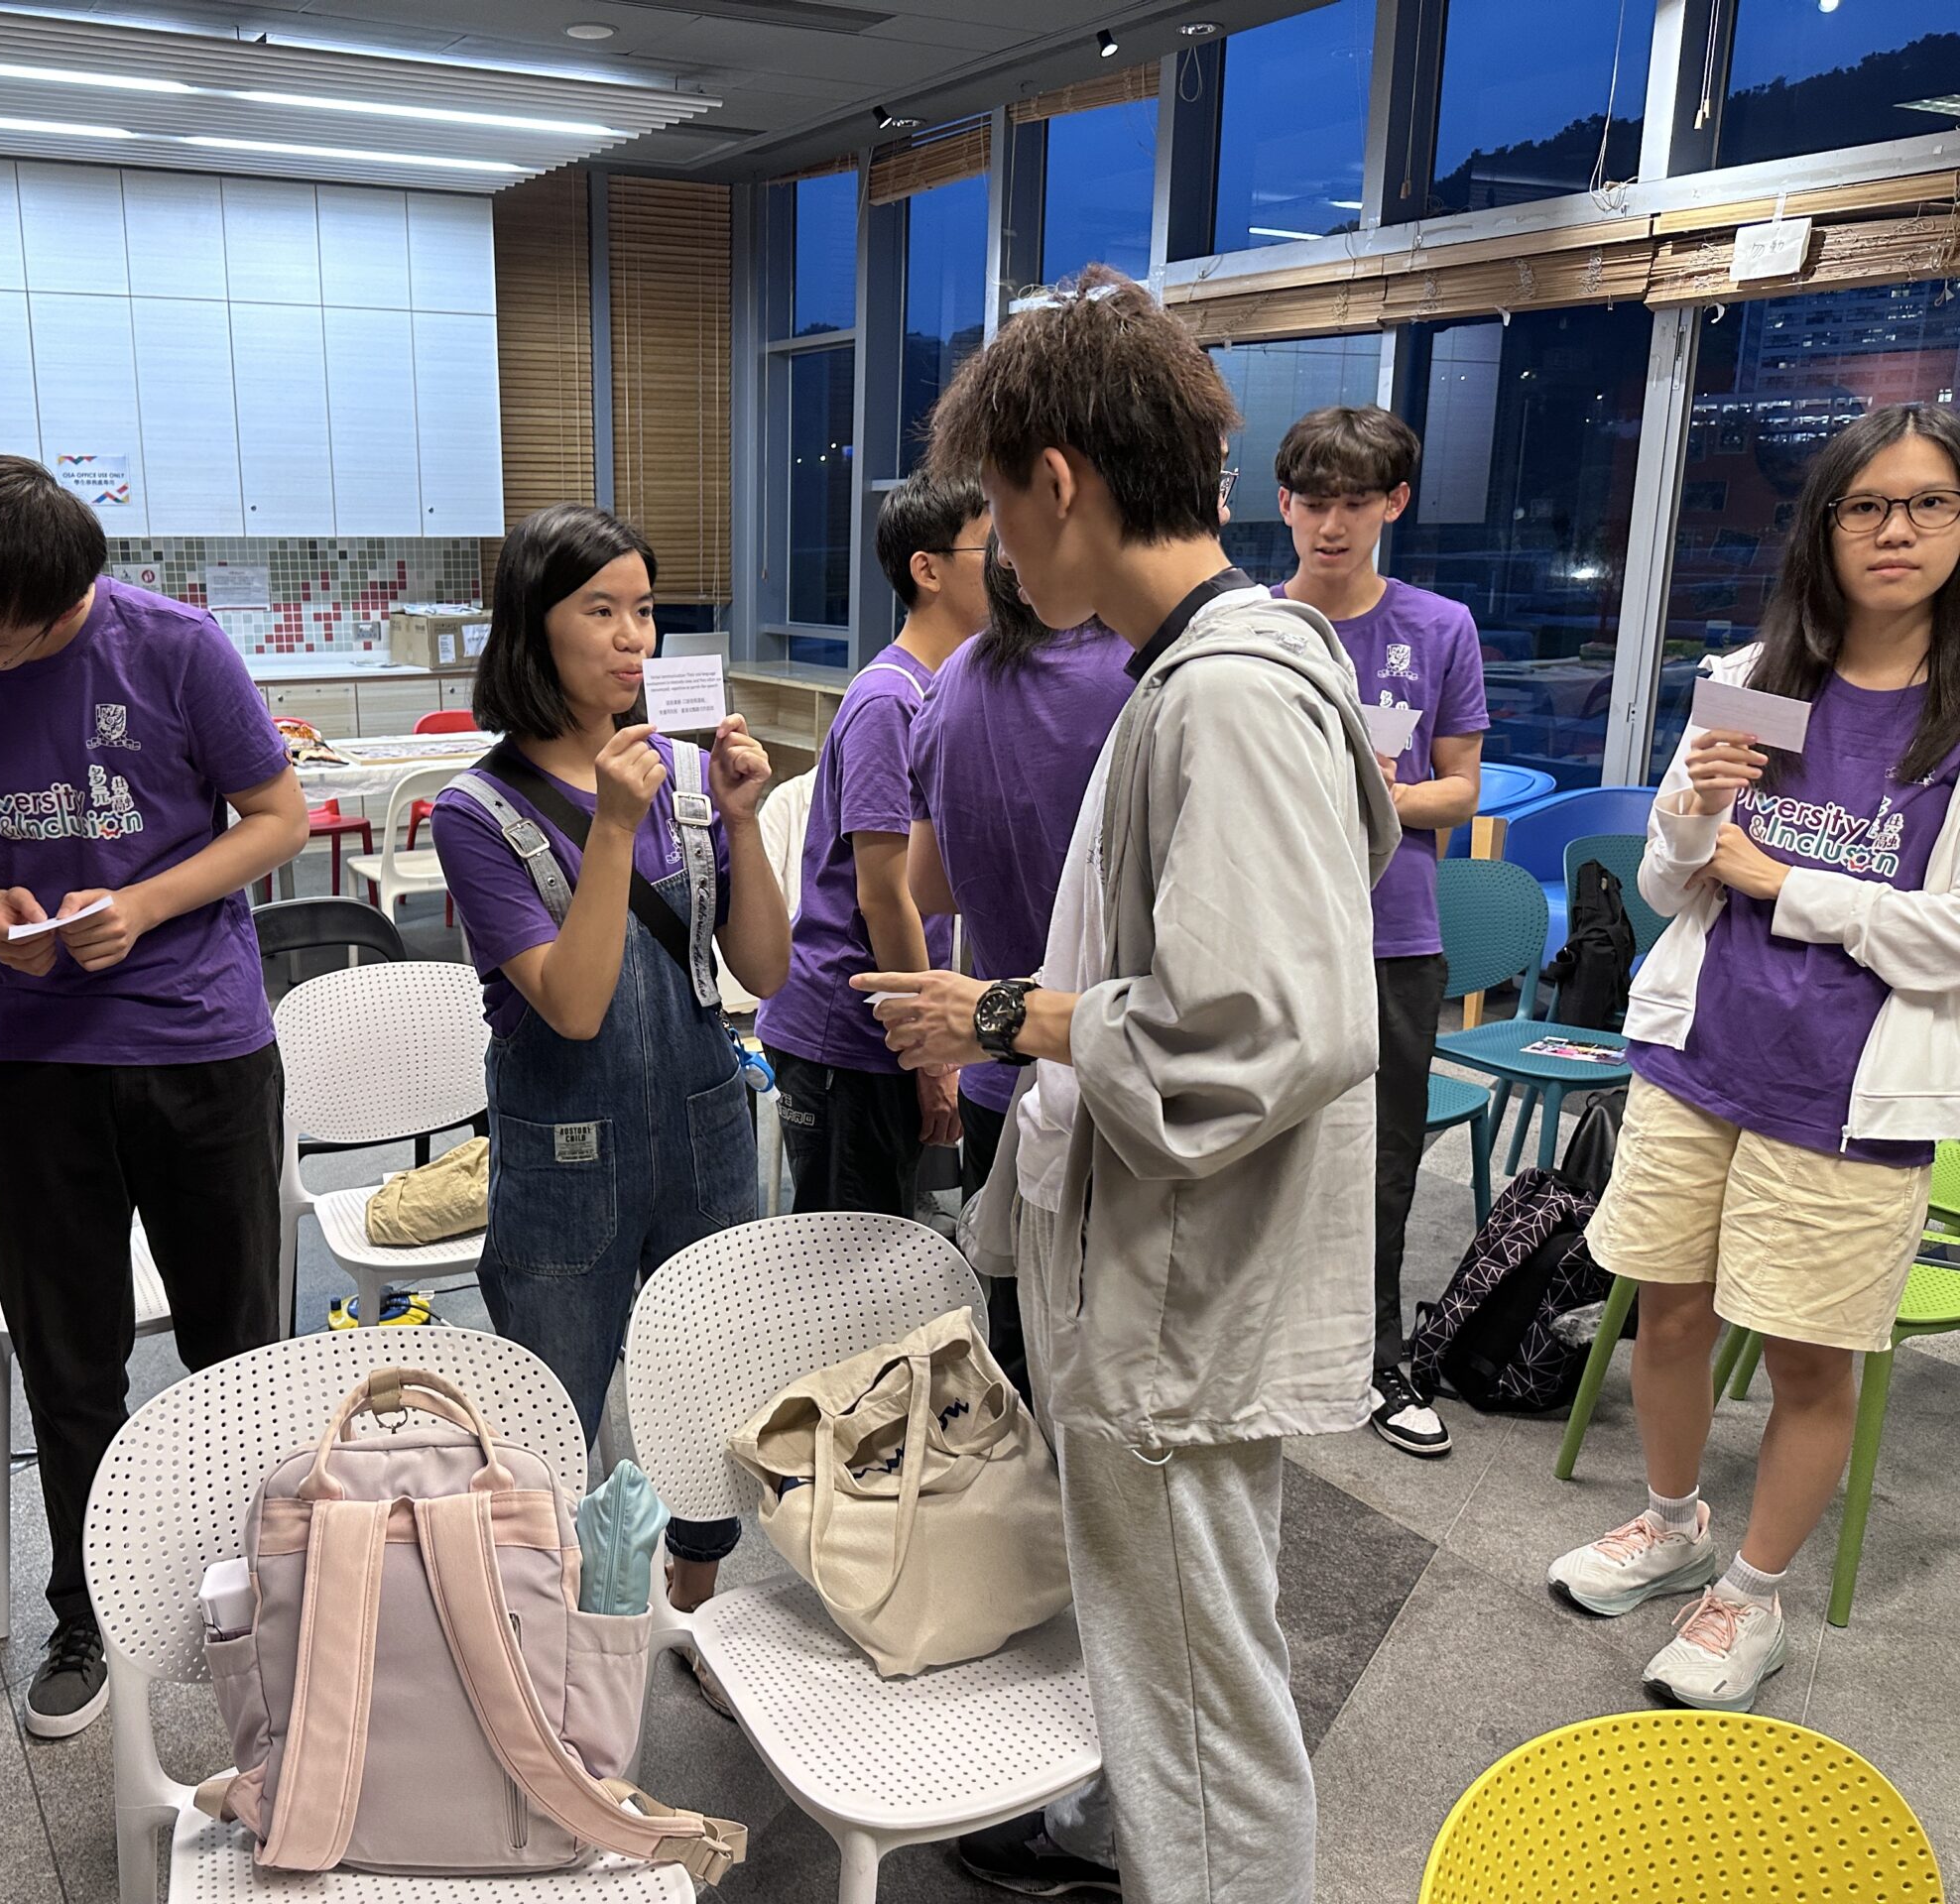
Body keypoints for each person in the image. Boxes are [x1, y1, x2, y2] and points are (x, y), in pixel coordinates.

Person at [857, 265, 1399, 1904]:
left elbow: (1272, 1030)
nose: (1000, 556)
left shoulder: (1225, 693)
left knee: (1198, 1710)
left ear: (1062, 482)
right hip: (1176, 1281)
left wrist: (1016, 1016)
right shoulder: (1230, 667)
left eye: (1003, 516)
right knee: (1181, 1676)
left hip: (1182, 1298)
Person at [0, 454, 308, 1736]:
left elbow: (274, 816)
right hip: (39, 1058)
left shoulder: (174, 651)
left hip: (200, 1043)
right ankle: (82, 1608)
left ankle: (263, 1591)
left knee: (234, 1340)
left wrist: (146, 903)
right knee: (72, 1359)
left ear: (69, 608)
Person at [1546, 403, 1960, 1711]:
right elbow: (1676, 891)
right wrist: (1688, 815)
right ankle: (1673, 1525)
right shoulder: (1760, 676)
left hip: (1846, 1096)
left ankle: (1752, 1599)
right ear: (1826, 526)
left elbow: (1948, 942)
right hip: (1698, 1059)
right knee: (1666, 1309)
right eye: (1867, 504)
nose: (1896, 529)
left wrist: (1784, 883)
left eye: (1928, 503)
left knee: (1805, 1357)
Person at [429, 503, 787, 1613]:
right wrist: (619, 831)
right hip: (561, 1151)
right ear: (534, 628)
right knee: (553, 1406)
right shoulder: (474, 810)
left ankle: (696, 1605)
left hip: (706, 1128)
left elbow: (764, 971)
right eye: (602, 611)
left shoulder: (682, 774)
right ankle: (551, 1629)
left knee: (707, 1384)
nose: (634, 637)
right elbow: (573, 1008)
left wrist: (743, 820)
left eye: (643, 610)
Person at [1272, 407, 1489, 1459]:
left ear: (1393, 503)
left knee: (1384, 1161)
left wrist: (1373, 799)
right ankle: (1260, 1339)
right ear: (1283, 503)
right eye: (1313, 500)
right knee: (1257, 1143)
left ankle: (1375, 1353)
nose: (1330, 522)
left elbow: (1459, 791)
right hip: (1269, 935)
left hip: (1391, 936)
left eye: (1354, 501)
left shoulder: (1436, 627)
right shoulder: (1253, 628)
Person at [905, 538, 1136, 1396]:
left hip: (997, 1067)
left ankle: (1021, 1524)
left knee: (1014, 1340)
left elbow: (929, 885)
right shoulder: (1148, 673)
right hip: (1116, 1071)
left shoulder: (956, 677)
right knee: (1113, 1366)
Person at [757, 470, 983, 1216]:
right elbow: (884, 897)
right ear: (929, 569)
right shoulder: (891, 700)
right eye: (992, 549)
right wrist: (934, 1051)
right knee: (842, 1263)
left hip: (885, 1020)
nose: (1012, 566)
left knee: (883, 1238)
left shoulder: (942, 689)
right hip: (846, 1030)